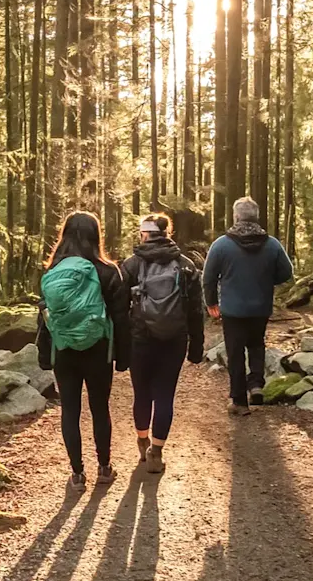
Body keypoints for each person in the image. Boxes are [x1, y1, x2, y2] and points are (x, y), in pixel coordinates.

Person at [37, 211, 131, 492]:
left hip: (64, 350)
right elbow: (121, 317)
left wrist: (44, 355)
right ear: (95, 236)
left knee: (70, 410)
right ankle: (104, 468)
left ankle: (77, 474)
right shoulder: (108, 271)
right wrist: (124, 356)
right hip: (98, 350)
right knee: (100, 408)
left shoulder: (53, 272)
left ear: (64, 235)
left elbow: (44, 317)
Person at [121, 214, 205, 474]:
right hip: (174, 340)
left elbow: (120, 308)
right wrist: (197, 346)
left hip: (140, 339)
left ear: (143, 234)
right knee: (165, 395)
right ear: (168, 233)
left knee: (142, 394)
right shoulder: (186, 264)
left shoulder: (131, 265)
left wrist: (121, 347)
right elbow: (195, 311)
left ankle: (142, 440)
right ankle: (156, 451)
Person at [203, 197, 293, 415]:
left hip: (232, 310)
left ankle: (239, 401)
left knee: (235, 353)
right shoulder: (271, 244)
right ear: (256, 216)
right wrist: (265, 280)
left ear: (236, 216)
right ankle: (256, 385)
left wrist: (211, 302)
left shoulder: (222, 245)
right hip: (260, 307)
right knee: (256, 345)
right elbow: (286, 272)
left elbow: (208, 277)